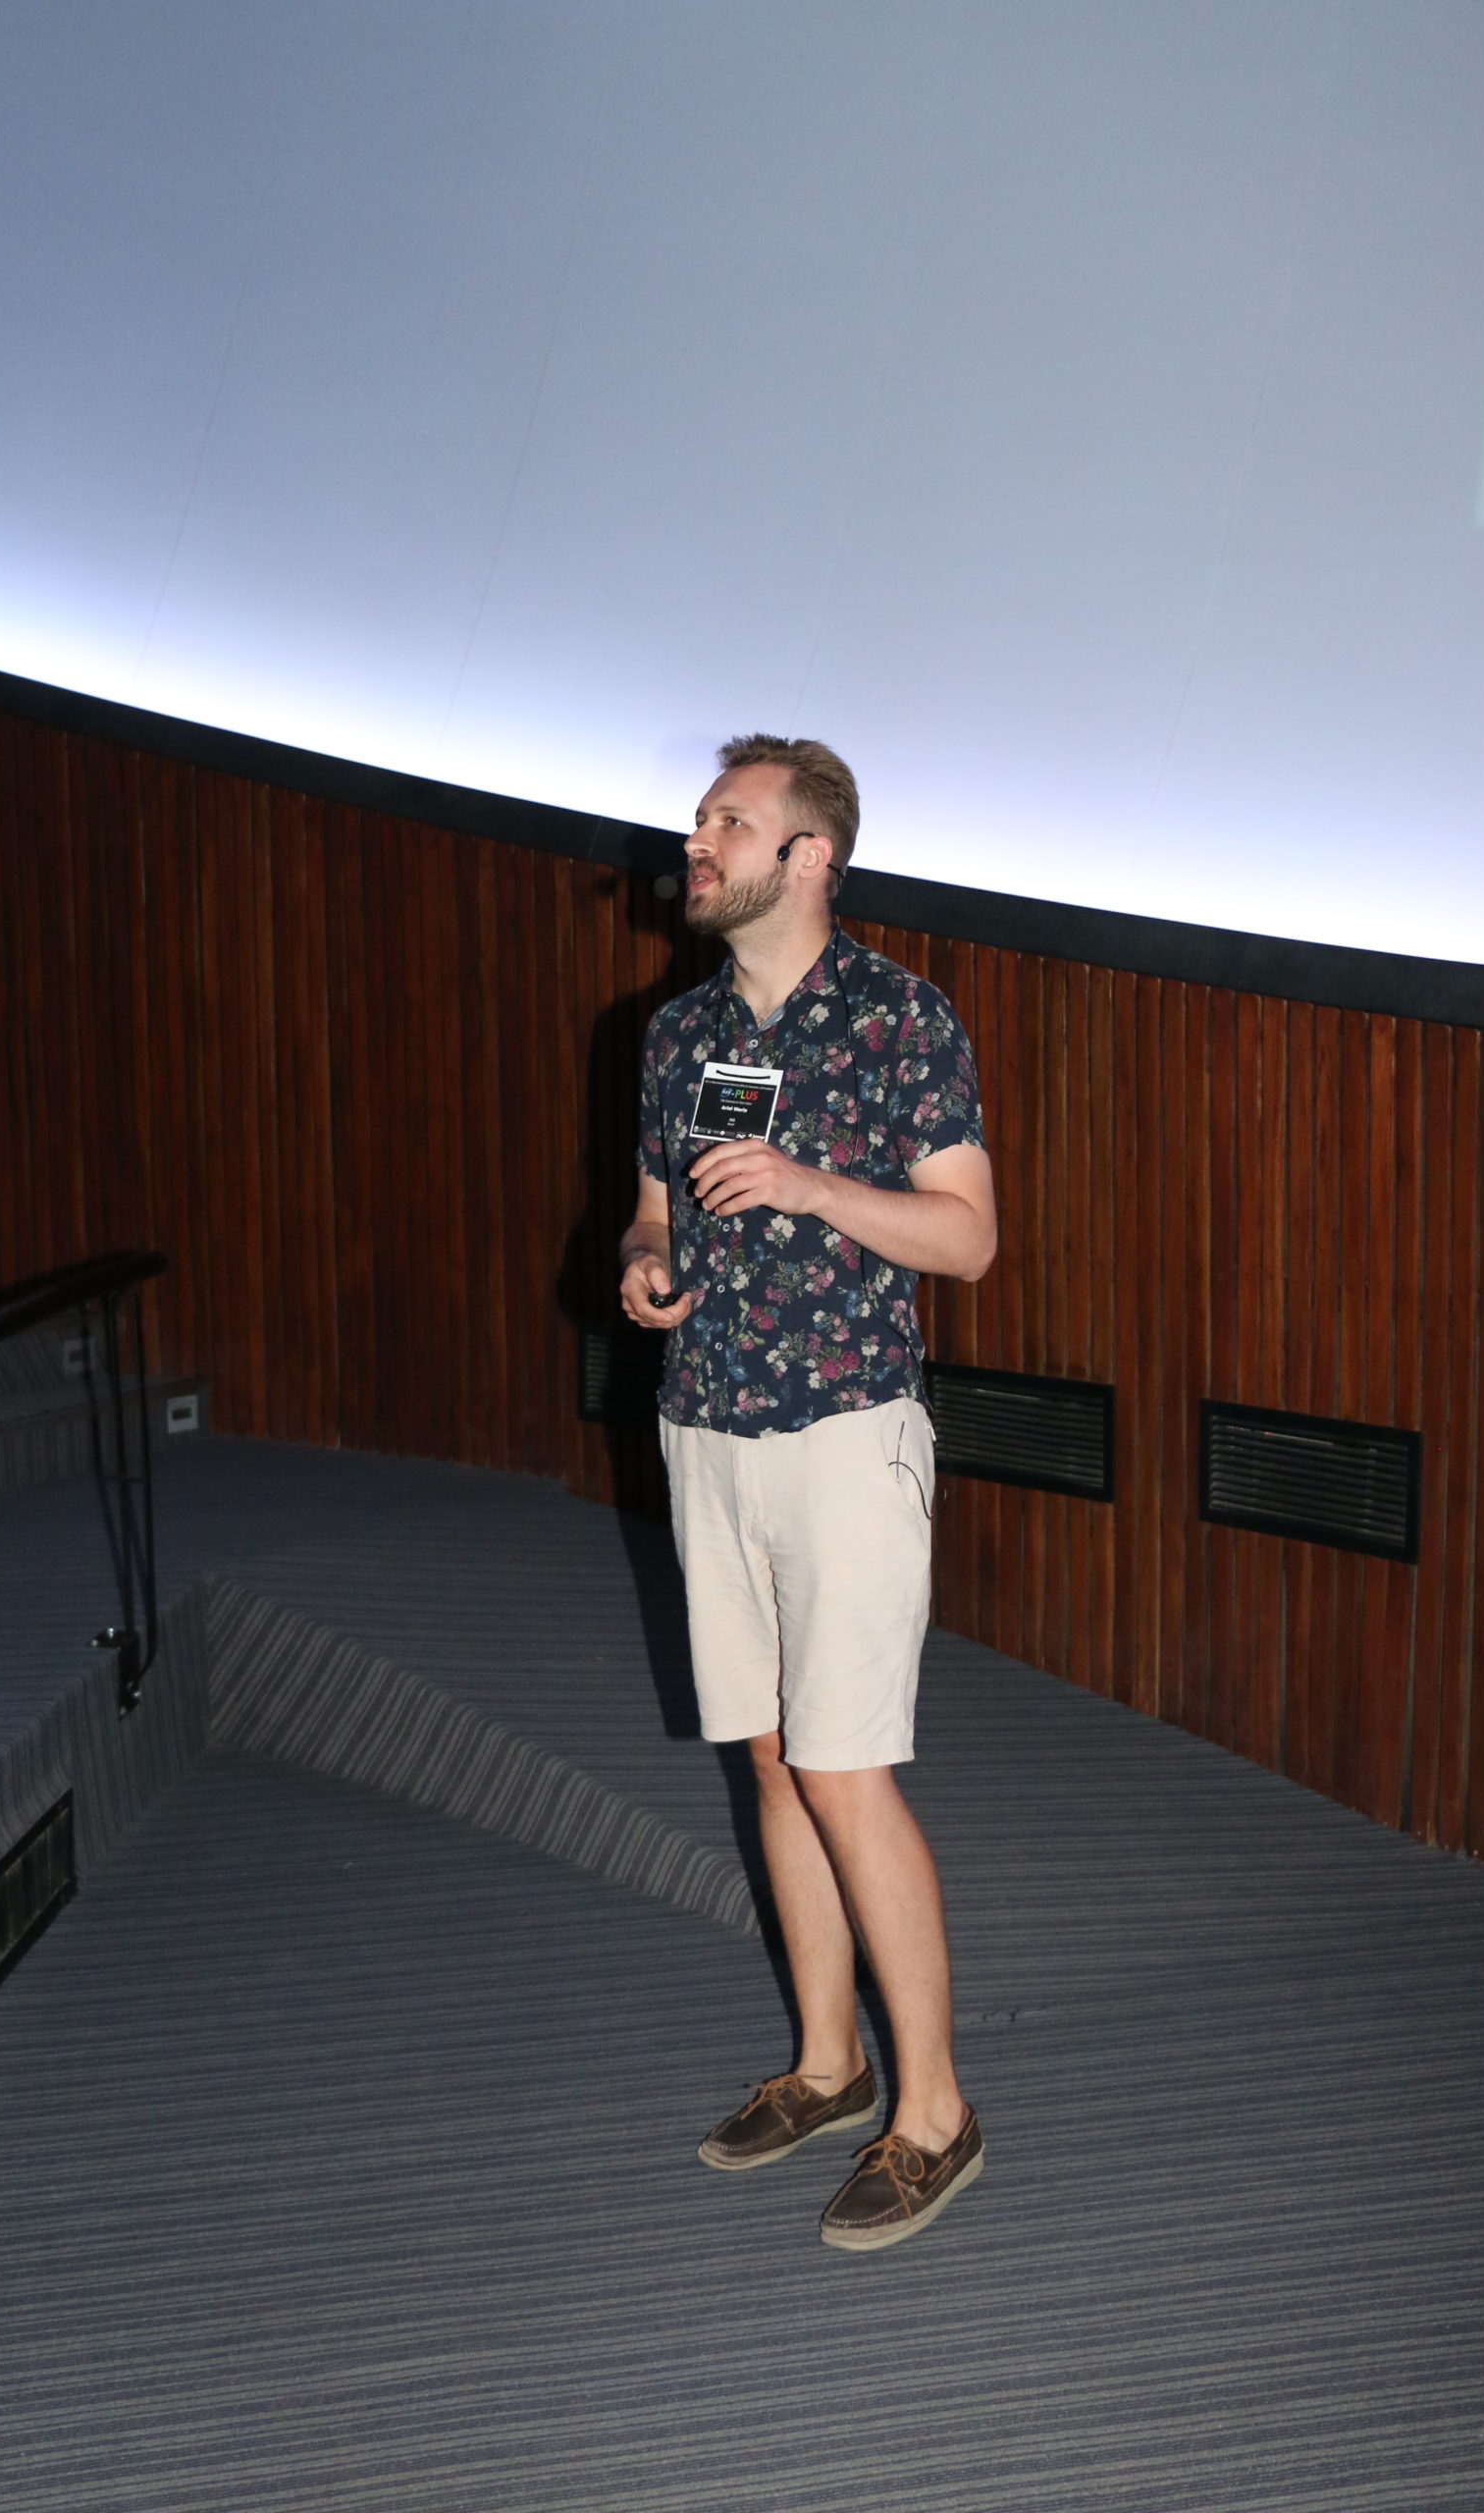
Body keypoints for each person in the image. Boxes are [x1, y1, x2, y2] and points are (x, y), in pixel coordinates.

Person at [620, 732, 997, 2254]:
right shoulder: (677, 1033)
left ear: (809, 855)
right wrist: (646, 1267)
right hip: (708, 1429)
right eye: (700, 819)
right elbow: (651, 1213)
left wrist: (808, 1185)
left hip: (848, 1431)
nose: (698, 842)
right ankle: (832, 2069)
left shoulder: (902, 1016)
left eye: (730, 821)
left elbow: (967, 1239)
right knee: (773, 1766)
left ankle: (937, 2113)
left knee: (845, 1772)